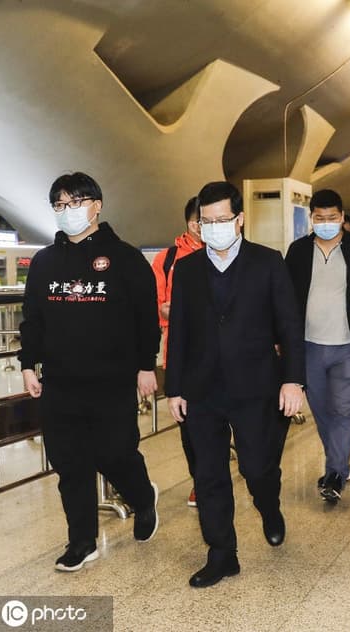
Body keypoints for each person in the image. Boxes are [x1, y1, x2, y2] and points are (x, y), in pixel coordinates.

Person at [165, 181, 305, 588]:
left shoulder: (268, 262)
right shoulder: (187, 269)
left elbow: (289, 326)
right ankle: (222, 553)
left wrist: (293, 380)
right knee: (208, 473)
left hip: (257, 385)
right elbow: (179, 332)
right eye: (205, 222)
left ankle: (269, 505)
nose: (213, 228)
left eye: (222, 220)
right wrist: (174, 388)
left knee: (257, 467)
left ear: (240, 219)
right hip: (201, 389)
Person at [19, 172, 161, 572]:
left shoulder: (126, 259)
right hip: (60, 382)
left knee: (114, 453)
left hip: (112, 380)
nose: (68, 210)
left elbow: (146, 319)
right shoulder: (45, 262)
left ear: (96, 206)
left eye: (76, 202)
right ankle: (82, 542)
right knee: (70, 463)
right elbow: (33, 319)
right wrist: (28, 364)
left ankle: (142, 496)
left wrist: (146, 365)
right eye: (60, 204)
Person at [284, 189, 350, 504]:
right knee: (322, 411)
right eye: (320, 218)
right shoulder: (298, 251)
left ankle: (334, 473)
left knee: (342, 410)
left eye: (332, 217)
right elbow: (285, 299)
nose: (326, 223)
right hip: (309, 347)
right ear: (312, 218)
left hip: (348, 347)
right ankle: (339, 463)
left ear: (341, 216)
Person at [150, 196, 204, 507]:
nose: (203, 228)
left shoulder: (227, 254)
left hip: (222, 355)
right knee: (188, 423)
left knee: (216, 419)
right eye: (198, 222)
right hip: (180, 354)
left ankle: (212, 474)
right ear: (189, 222)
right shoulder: (167, 259)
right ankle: (200, 479)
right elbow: (159, 306)